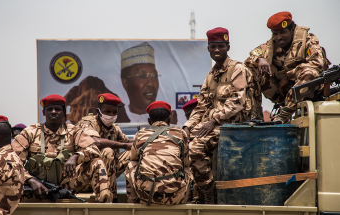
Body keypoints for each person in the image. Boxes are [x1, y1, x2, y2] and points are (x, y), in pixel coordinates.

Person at [183, 27, 261, 204]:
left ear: (228, 47)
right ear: (208, 48)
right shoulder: (210, 76)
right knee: (181, 142)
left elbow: (238, 101)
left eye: (220, 46)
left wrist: (213, 120)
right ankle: (197, 192)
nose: (216, 50)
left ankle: (209, 190)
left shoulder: (237, 69)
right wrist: (187, 127)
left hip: (234, 126)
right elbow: (201, 106)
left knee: (195, 149)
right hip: (215, 125)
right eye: (213, 46)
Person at [11, 94, 112, 203]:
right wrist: (30, 180)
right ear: (44, 113)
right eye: (49, 109)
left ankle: (104, 206)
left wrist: (76, 156)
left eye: (57, 109)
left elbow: (94, 150)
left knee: (97, 163)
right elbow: (12, 160)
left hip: (67, 185)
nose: (53, 112)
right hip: (38, 187)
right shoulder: (30, 132)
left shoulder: (73, 131)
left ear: (63, 112)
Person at [245, 11, 331, 123]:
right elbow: (250, 58)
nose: (279, 37)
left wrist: (288, 76)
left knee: (310, 71)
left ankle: (284, 114)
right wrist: (259, 59)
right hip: (281, 93)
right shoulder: (270, 46)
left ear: (292, 29)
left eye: (282, 32)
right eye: (275, 34)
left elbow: (317, 63)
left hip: (306, 91)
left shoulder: (308, 42)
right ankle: (255, 117)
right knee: (249, 70)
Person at [125, 101, 191, 205]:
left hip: (147, 197)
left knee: (131, 164)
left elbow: (133, 158)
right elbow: (186, 162)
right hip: (175, 198)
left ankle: (133, 203)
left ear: (149, 121)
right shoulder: (180, 133)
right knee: (187, 168)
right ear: (169, 120)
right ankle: (185, 201)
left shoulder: (140, 135)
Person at [75, 93, 132, 202]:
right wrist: (124, 145)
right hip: (88, 173)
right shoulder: (87, 123)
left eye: (114, 112)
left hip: (108, 172)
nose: (111, 115)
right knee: (107, 151)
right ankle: (111, 198)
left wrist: (145, 140)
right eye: (107, 112)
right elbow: (95, 142)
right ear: (98, 111)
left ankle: (135, 195)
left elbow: (128, 141)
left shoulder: (114, 128)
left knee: (133, 152)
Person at [121, 42, 160, 122]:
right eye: (142, 76)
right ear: (126, 83)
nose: (150, 84)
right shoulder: (117, 119)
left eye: (154, 76)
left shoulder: (164, 119)